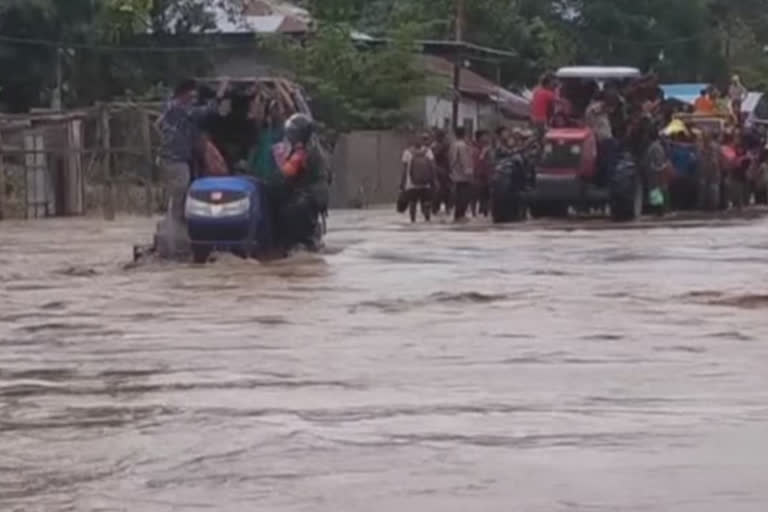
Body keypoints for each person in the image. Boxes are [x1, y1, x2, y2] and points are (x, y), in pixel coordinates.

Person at [157, 78, 229, 224]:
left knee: (180, 191)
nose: (193, 100)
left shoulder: (169, 106)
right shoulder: (181, 109)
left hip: (173, 157)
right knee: (180, 191)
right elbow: (207, 111)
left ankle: (175, 222)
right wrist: (220, 94)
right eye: (191, 97)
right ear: (183, 95)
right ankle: (173, 224)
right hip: (175, 159)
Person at [278, 113, 328, 250]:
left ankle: (302, 242)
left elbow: (287, 172)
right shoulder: (307, 146)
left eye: (292, 133)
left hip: (312, 194)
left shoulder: (306, 150)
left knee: (290, 210)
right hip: (311, 192)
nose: (290, 136)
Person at [400, 132, 436, 223]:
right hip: (426, 184)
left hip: (411, 184)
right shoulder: (428, 151)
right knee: (426, 204)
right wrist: (434, 181)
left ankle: (413, 223)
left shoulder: (407, 152)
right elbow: (432, 167)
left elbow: (404, 171)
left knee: (412, 204)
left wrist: (402, 184)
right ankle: (427, 222)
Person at [449, 126, 474, 221]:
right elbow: (464, 160)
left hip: (455, 173)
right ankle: (460, 214)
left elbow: (451, 159)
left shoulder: (453, 145)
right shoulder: (462, 145)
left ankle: (458, 214)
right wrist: (469, 173)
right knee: (464, 194)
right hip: (463, 174)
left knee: (459, 193)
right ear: (464, 134)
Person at [696, 130, 721, 210]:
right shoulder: (704, 146)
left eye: (705, 136)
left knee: (712, 188)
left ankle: (712, 205)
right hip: (705, 170)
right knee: (705, 187)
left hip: (712, 170)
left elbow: (714, 159)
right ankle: (706, 205)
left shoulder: (712, 146)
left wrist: (715, 167)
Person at [431, 128, 453, 215]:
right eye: (442, 136)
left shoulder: (447, 145)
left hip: (446, 170)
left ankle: (447, 207)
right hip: (438, 170)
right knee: (439, 190)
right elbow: (434, 156)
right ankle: (436, 208)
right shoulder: (435, 145)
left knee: (447, 190)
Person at [472, 130, 493, 217]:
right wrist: (483, 153)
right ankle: (474, 213)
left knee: (486, 194)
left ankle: (485, 212)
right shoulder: (474, 149)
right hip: (477, 175)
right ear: (479, 138)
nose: (486, 138)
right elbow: (476, 162)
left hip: (487, 175)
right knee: (475, 194)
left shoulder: (488, 148)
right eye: (484, 136)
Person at [530, 73, 557, 139]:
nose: (553, 85)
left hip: (534, 118)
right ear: (547, 84)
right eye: (551, 83)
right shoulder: (548, 93)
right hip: (542, 119)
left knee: (538, 135)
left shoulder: (536, 91)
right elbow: (559, 102)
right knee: (545, 136)